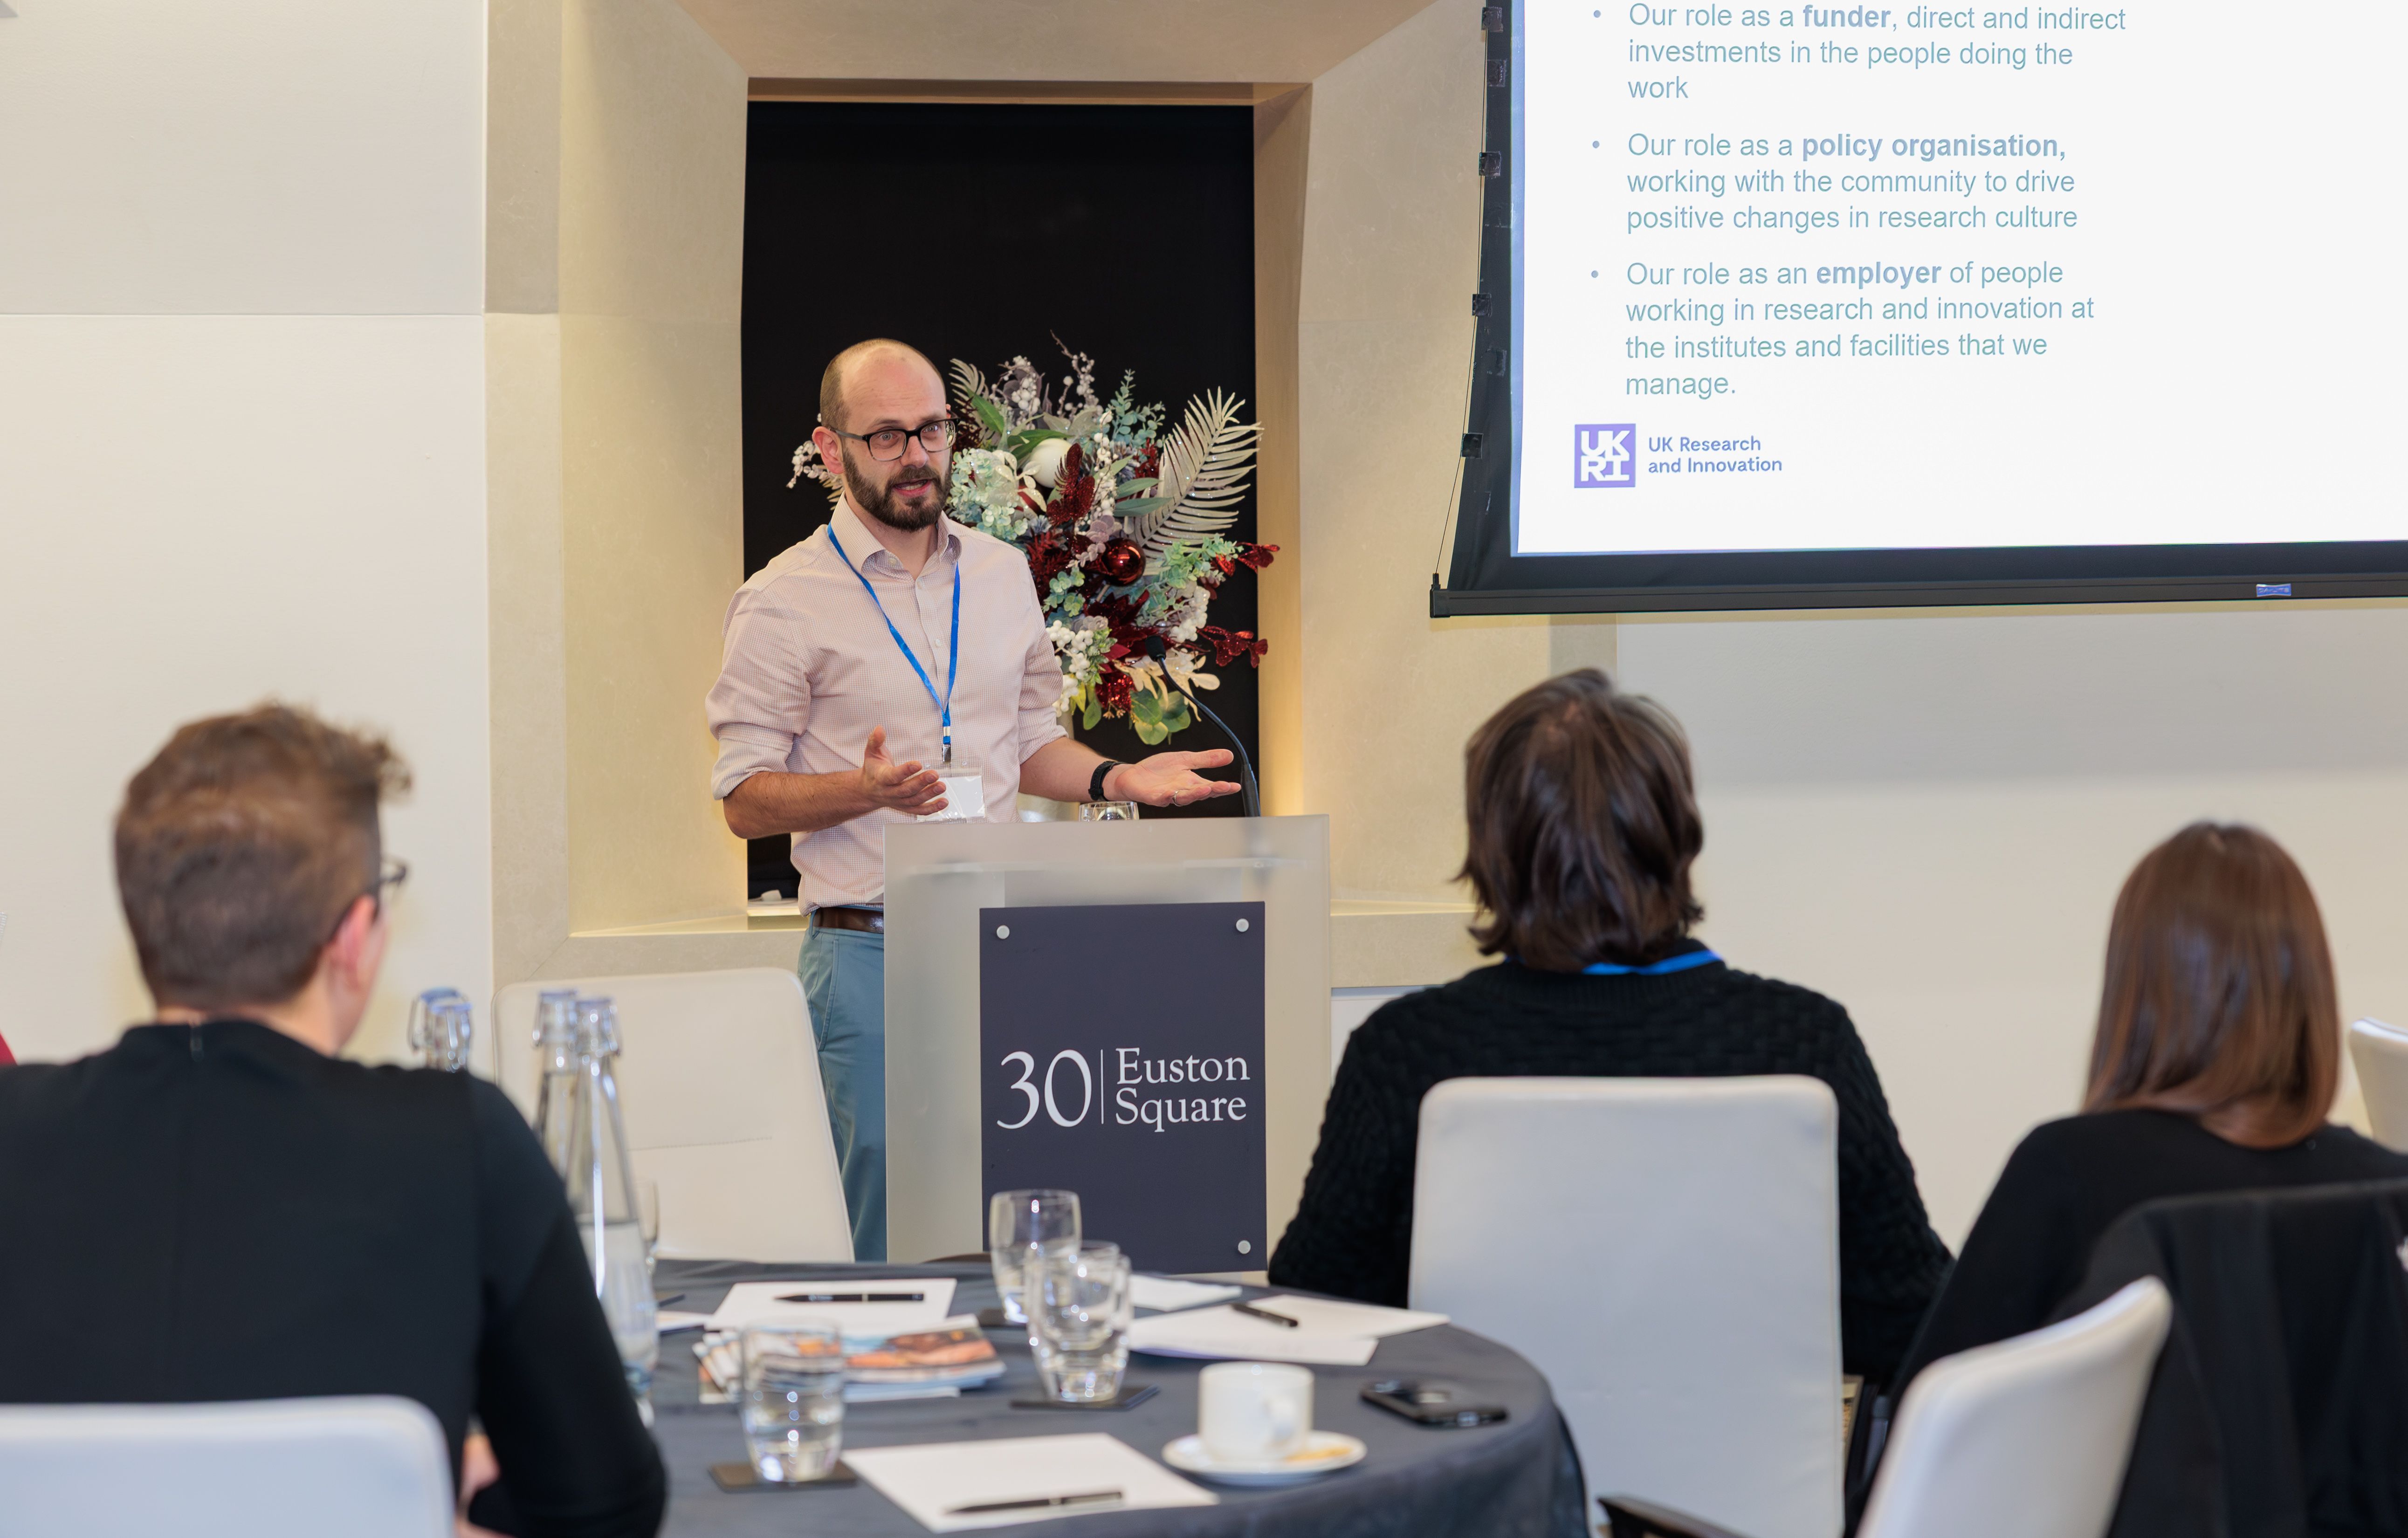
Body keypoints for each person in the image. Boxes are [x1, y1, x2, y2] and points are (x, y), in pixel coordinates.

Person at [0, 706, 664, 1538]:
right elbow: (605, 1506)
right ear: (355, 937)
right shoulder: (458, 1139)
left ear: (142, 923)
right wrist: (425, 1497)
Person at [706, 336, 1239, 1261]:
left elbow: (1028, 743)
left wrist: (1119, 777)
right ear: (829, 451)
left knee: (1012, 1212)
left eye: (932, 431)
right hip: (868, 950)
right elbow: (744, 801)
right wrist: (858, 791)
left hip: (1008, 947)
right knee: (887, 1222)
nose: (917, 456)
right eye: (886, 437)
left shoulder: (999, 575)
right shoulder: (780, 602)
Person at [1268, 669, 1952, 1385]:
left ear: (1493, 847)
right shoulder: (1803, 1043)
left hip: (1482, 1482)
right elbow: (1908, 1322)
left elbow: (1310, 1319)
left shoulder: (1411, 1051)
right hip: (1738, 1493)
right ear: (1674, 834)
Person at [1886, 821, 2408, 1394]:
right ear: (2310, 985)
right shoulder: (2384, 1191)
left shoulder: (2067, 1169)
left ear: (2133, 988)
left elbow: (1932, 1412)